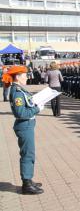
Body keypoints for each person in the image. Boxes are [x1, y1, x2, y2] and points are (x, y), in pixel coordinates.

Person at [2, 65, 44, 194]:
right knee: (27, 154)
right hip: (24, 125)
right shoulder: (17, 92)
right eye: (25, 75)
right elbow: (20, 113)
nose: (27, 77)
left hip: (27, 125)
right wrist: (37, 109)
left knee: (29, 153)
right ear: (18, 77)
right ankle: (26, 184)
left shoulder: (20, 89)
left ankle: (28, 179)